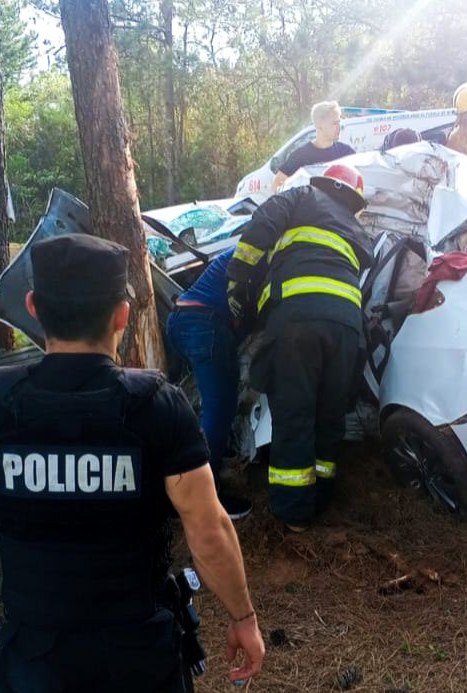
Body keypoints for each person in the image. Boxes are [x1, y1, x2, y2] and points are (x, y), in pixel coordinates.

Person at [0, 235, 264, 691]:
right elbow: (208, 528)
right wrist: (243, 618)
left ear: (33, 307)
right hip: (141, 658)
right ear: (122, 315)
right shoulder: (159, 408)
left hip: (36, 664)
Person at [227, 164, 372, 532]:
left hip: (297, 318)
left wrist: (238, 282)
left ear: (324, 183)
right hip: (347, 326)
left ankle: (294, 512)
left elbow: (260, 227)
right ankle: (321, 496)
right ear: (354, 200)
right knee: (329, 414)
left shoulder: (302, 195)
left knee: (295, 413)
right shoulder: (357, 229)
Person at [165, 247, 252, 520]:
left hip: (181, 318)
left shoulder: (248, 245)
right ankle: (203, 498)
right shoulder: (267, 248)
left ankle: (182, 484)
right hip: (204, 323)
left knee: (201, 407)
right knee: (219, 409)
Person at [271, 101, 355, 193]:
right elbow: (276, 185)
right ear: (319, 125)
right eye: (334, 123)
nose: (339, 127)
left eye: (339, 122)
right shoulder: (301, 156)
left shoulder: (346, 153)